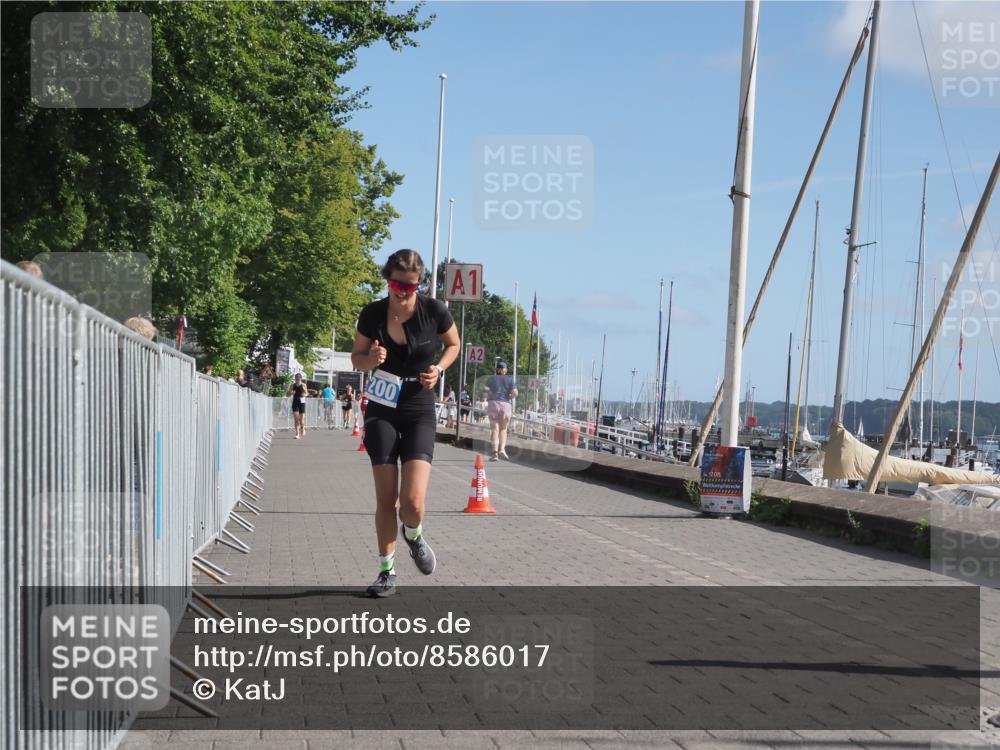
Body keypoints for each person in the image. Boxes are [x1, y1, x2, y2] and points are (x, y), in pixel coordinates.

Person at [351, 249, 460, 597]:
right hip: (382, 406)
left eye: (411, 285)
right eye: (397, 284)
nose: (403, 291)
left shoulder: (434, 311)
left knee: (412, 502)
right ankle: (387, 572)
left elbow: (454, 344)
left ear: (420, 283)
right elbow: (356, 359)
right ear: (388, 280)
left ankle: (413, 534)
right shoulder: (372, 314)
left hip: (418, 405)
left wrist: (439, 369)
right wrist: (371, 358)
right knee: (386, 498)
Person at [485, 361, 518, 461]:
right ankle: (502, 450)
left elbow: (486, 392)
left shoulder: (490, 379)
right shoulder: (510, 380)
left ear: (497, 369)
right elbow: (515, 393)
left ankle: (495, 453)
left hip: (493, 404)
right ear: (505, 370)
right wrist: (510, 396)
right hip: (505, 404)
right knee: (503, 429)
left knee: (494, 429)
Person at [284, 372, 308, 439]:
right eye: (296, 379)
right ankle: (297, 434)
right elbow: (287, 395)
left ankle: (303, 428)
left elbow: (306, 393)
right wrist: (291, 393)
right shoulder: (292, 385)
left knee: (301, 420)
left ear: (300, 379)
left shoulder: (303, 385)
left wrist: (304, 395)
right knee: (296, 419)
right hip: (295, 402)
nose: (297, 380)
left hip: (302, 402)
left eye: (298, 379)